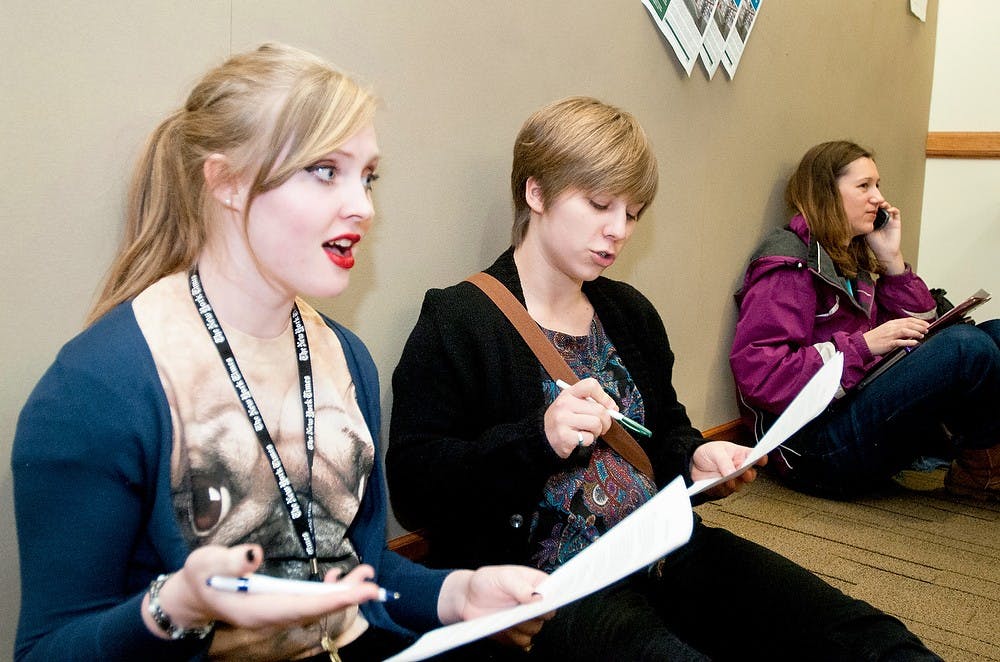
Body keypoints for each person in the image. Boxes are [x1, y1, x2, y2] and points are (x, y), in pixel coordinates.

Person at [11, 43, 550, 662]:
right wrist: (175, 607)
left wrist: (458, 593)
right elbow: (49, 648)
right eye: (325, 170)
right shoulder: (100, 385)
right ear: (227, 182)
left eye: (368, 176)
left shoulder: (344, 358)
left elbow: (354, 578)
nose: (363, 208)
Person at [387, 98, 940, 660]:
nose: (617, 231)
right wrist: (539, 439)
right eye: (600, 204)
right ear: (536, 193)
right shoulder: (459, 320)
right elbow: (415, 490)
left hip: (662, 546)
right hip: (555, 584)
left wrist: (695, 460)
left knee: (861, 635)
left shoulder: (628, 312)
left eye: (632, 214)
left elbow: (667, 432)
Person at [730, 140, 1000, 500]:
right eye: (863, 186)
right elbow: (761, 375)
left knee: (995, 333)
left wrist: (892, 262)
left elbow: (916, 332)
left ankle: (982, 471)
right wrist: (862, 346)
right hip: (812, 450)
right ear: (826, 193)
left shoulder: (849, 257)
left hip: (851, 412)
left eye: (878, 185)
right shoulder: (791, 264)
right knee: (967, 349)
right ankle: (981, 473)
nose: (878, 198)